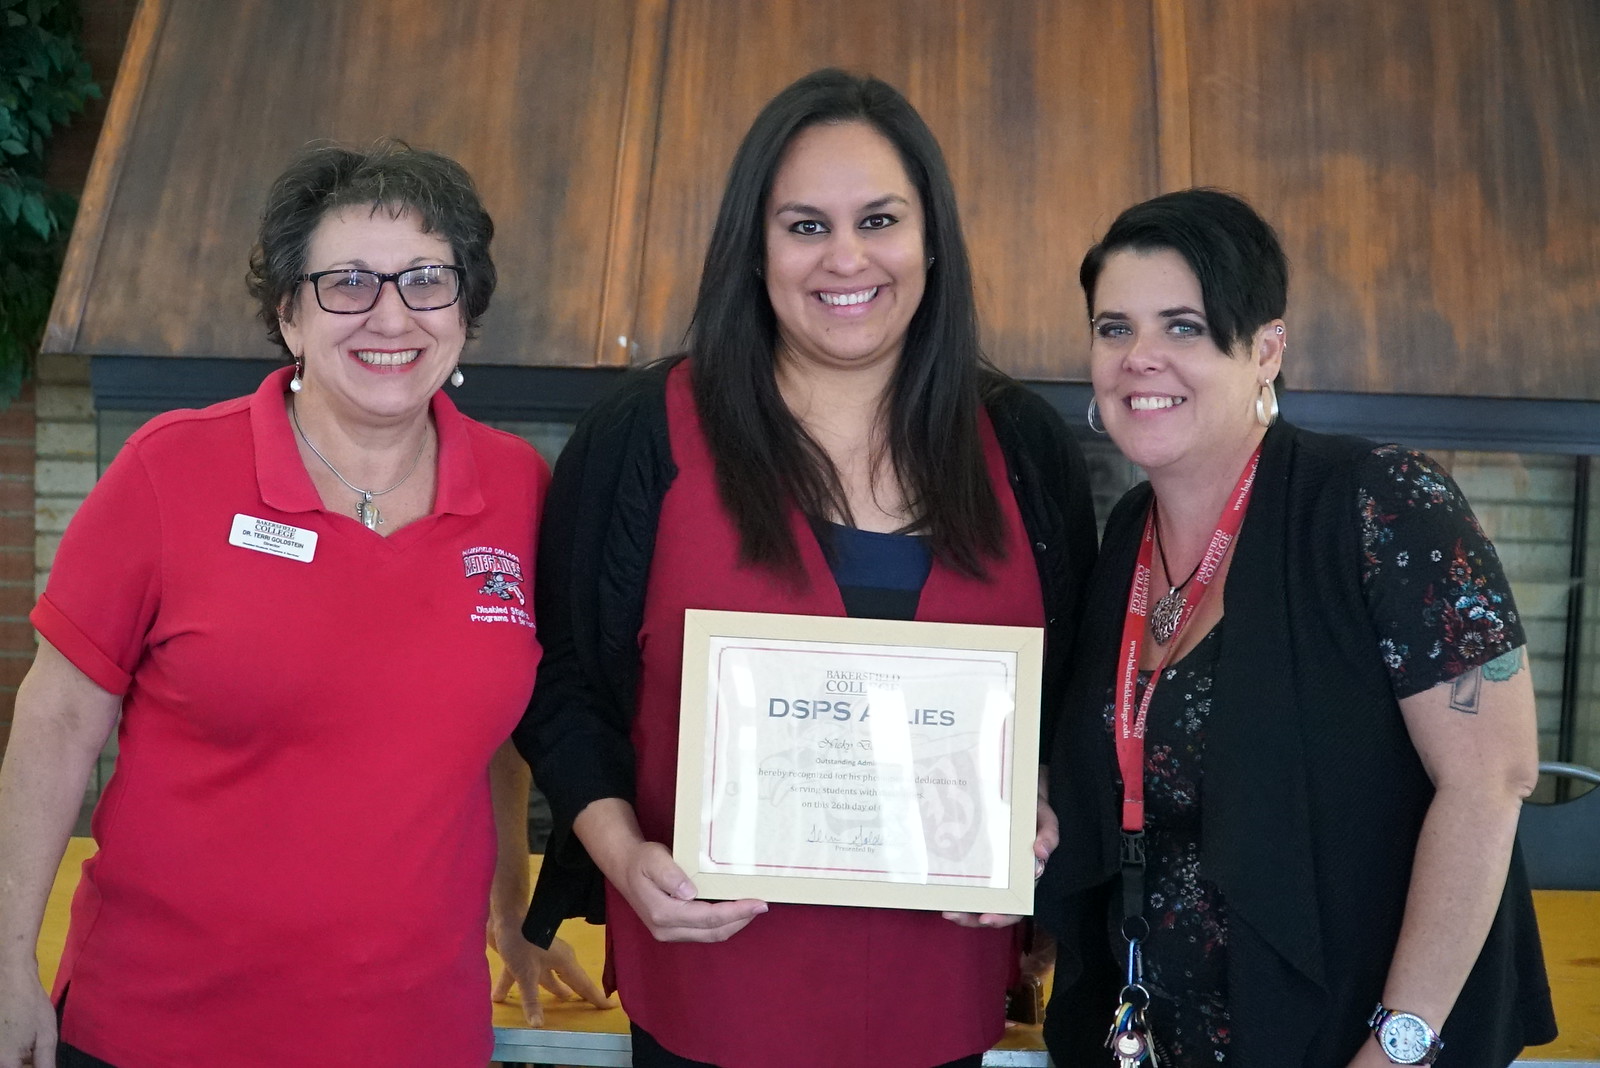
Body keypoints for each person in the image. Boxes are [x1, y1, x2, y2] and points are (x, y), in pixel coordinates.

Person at [513, 69, 1097, 1068]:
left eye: (879, 220)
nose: (846, 258)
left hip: (938, 999)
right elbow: (560, 678)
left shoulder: (1024, 446)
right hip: (710, 996)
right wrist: (621, 852)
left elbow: (1070, 695)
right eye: (805, 226)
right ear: (756, 248)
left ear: (931, 241)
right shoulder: (640, 435)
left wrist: (1033, 811)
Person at [0, 140, 606, 1068]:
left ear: (465, 311)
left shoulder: (520, 489)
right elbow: (56, 720)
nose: (391, 315)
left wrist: (512, 911)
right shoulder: (171, 469)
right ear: (289, 313)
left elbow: (495, 731)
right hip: (157, 1029)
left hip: (417, 1036)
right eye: (347, 282)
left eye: (426, 280)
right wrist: (6, 960)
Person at [1036, 188, 1557, 1067]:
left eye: (1184, 327)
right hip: (1148, 1036)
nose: (1139, 358)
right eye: (1114, 328)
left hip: (1344, 1040)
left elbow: (1491, 779)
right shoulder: (1125, 532)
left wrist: (1398, 1047)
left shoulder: (1379, 500)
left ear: (1266, 350)